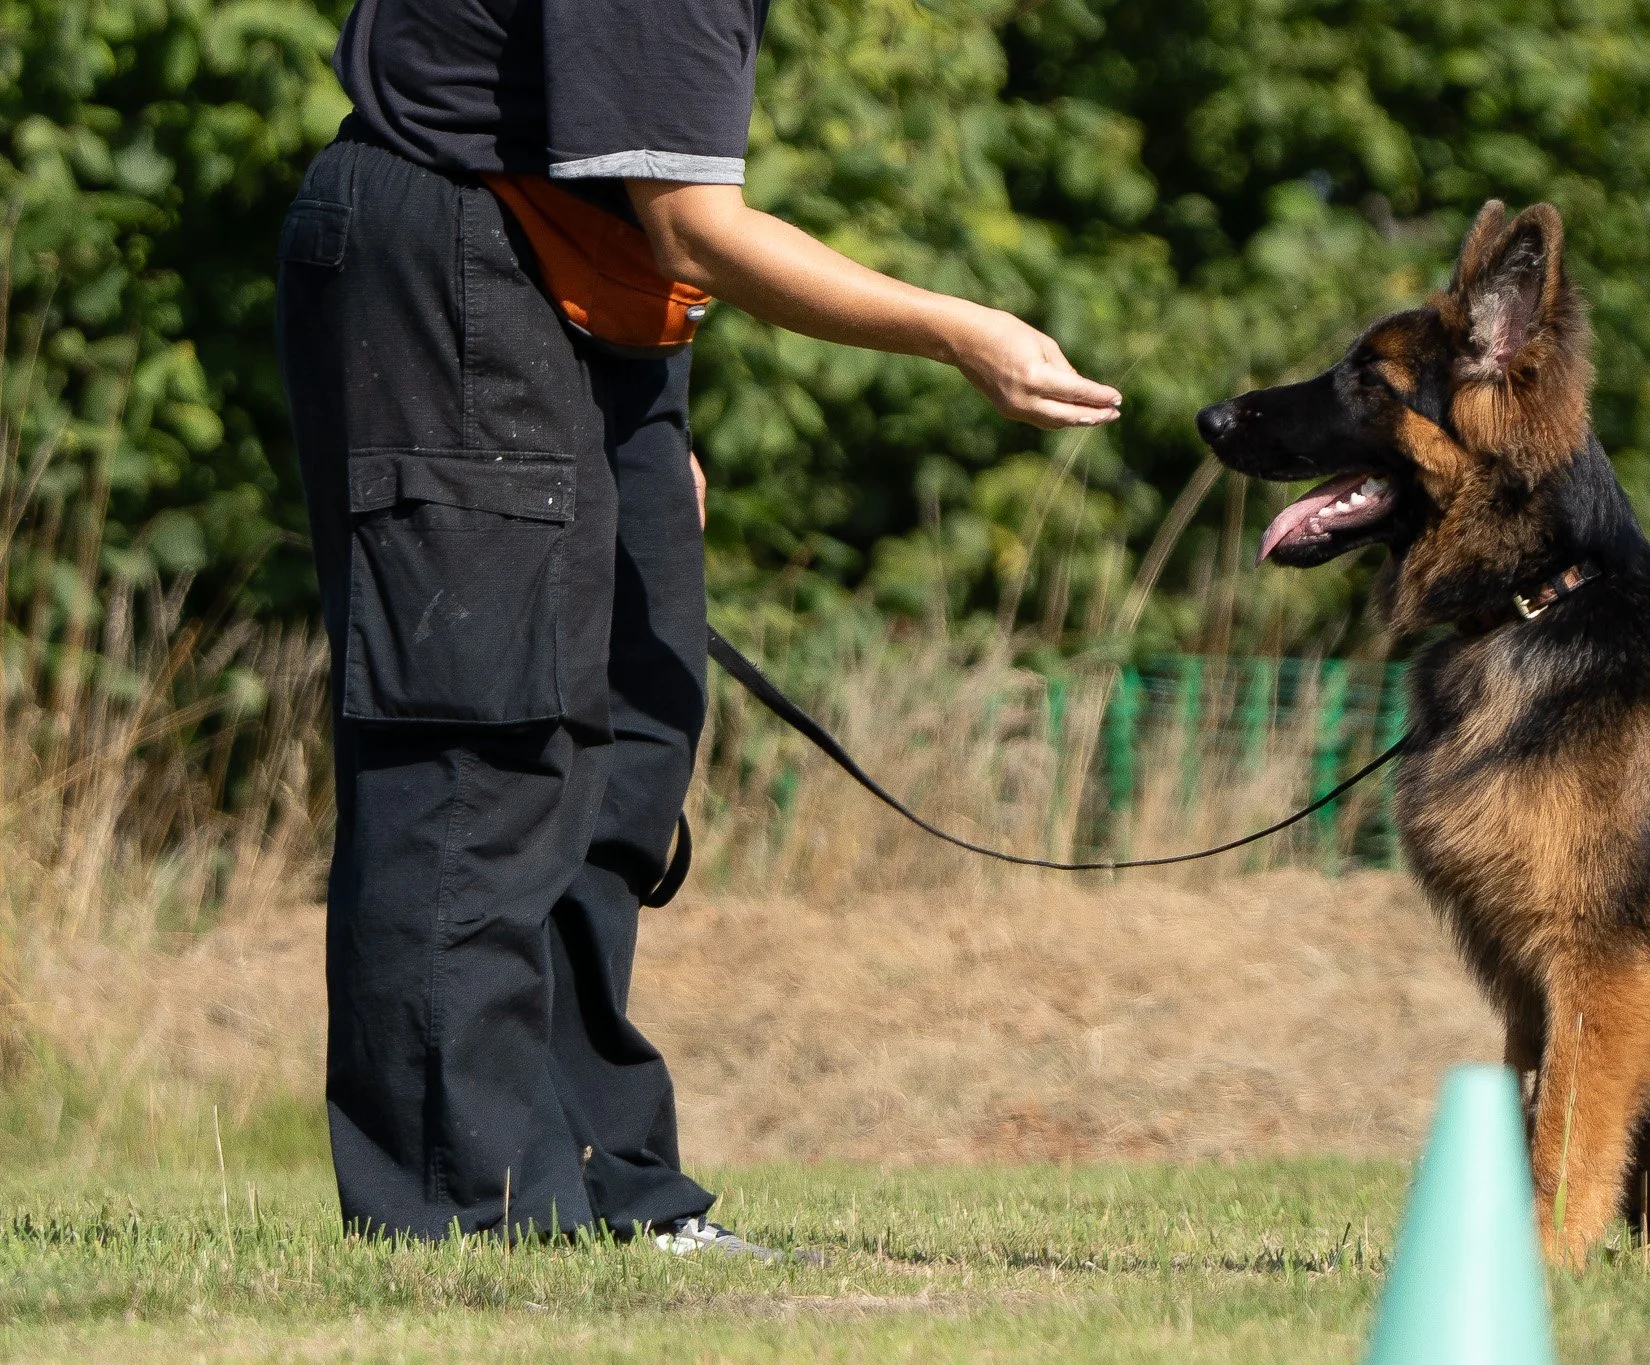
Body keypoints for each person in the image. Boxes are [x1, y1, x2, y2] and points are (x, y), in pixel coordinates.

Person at [275, 0, 1120, 1253]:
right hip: (453, 269)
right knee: (481, 750)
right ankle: (472, 1214)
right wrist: (960, 331)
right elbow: (693, 224)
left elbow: (626, 190)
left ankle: (608, 1189)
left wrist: (621, 413)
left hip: (580, 298)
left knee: (628, 744)